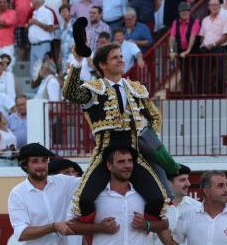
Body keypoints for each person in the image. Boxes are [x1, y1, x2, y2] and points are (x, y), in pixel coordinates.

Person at [62, 38, 177, 221]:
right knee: (84, 199)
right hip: (104, 152)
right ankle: (93, 232)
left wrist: (149, 137)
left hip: (133, 152)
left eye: (121, 56)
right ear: (102, 65)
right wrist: (77, 60)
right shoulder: (94, 88)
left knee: (158, 198)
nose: (121, 60)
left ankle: (144, 231)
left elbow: (154, 116)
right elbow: (70, 93)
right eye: (115, 57)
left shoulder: (136, 88)